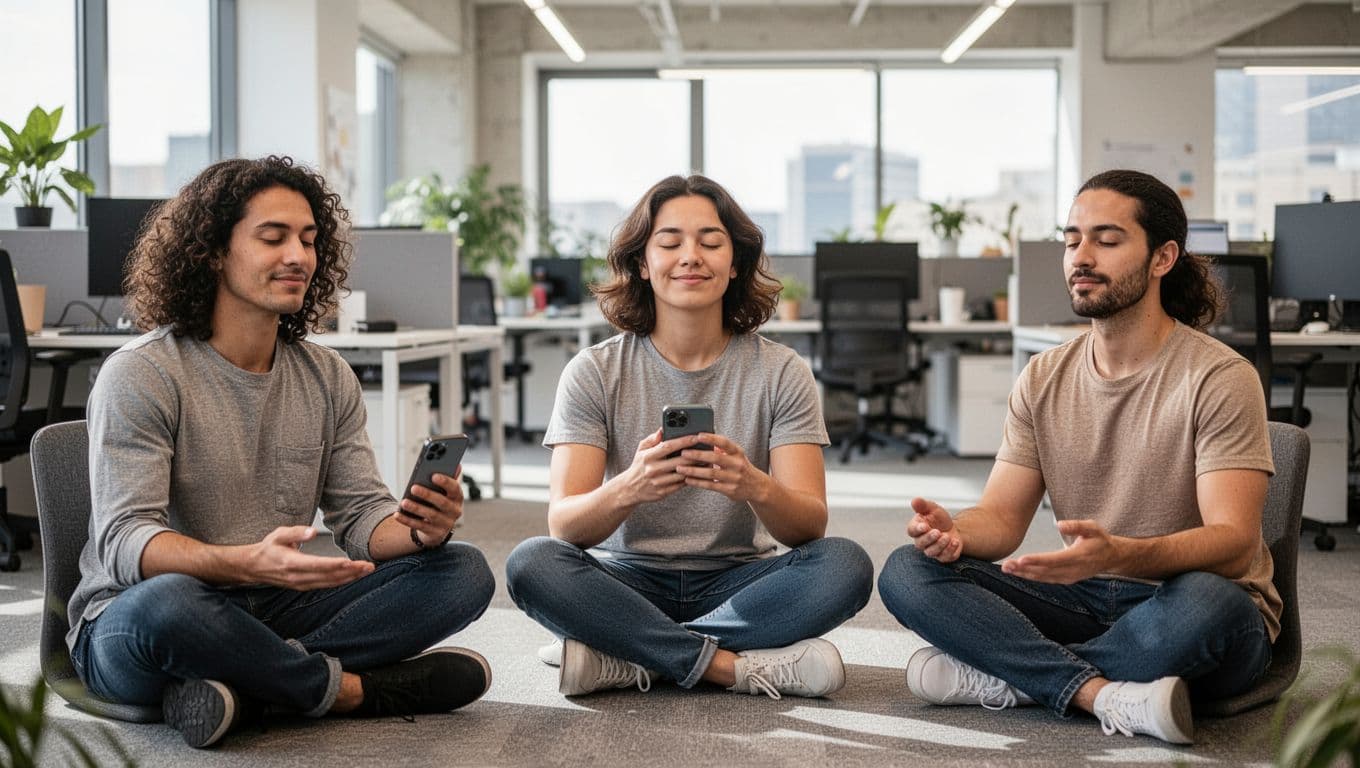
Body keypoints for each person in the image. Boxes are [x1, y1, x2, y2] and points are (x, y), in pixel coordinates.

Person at [68, 156, 496, 748]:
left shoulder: (327, 375)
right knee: (169, 607)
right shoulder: (143, 373)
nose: (298, 255)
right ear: (213, 252)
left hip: (275, 605)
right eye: (273, 238)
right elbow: (125, 544)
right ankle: (352, 692)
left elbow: (362, 518)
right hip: (137, 617)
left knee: (462, 572)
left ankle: (244, 689)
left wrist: (422, 530)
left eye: (309, 240)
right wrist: (245, 563)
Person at [877, 169, 1277, 745]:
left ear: (1163, 258)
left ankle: (1019, 674)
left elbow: (1234, 542)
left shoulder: (1219, 376)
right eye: (1071, 241)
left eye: (1106, 240)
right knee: (907, 570)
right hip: (1086, 596)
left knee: (1212, 606)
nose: (1080, 257)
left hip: (1184, 597)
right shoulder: (1043, 375)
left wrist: (1123, 554)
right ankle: (1100, 691)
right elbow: (1002, 519)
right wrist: (956, 533)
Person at [505, 174, 873, 700]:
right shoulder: (594, 371)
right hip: (627, 579)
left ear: (735, 262)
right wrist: (630, 486)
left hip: (740, 580)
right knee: (531, 563)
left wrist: (754, 485)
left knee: (845, 565)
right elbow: (564, 526)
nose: (691, 257)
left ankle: (633, 654)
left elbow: (809, 527)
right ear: (642, 262)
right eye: (670, 242)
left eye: (711, 242)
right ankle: (727, 667)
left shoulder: (781, 371)